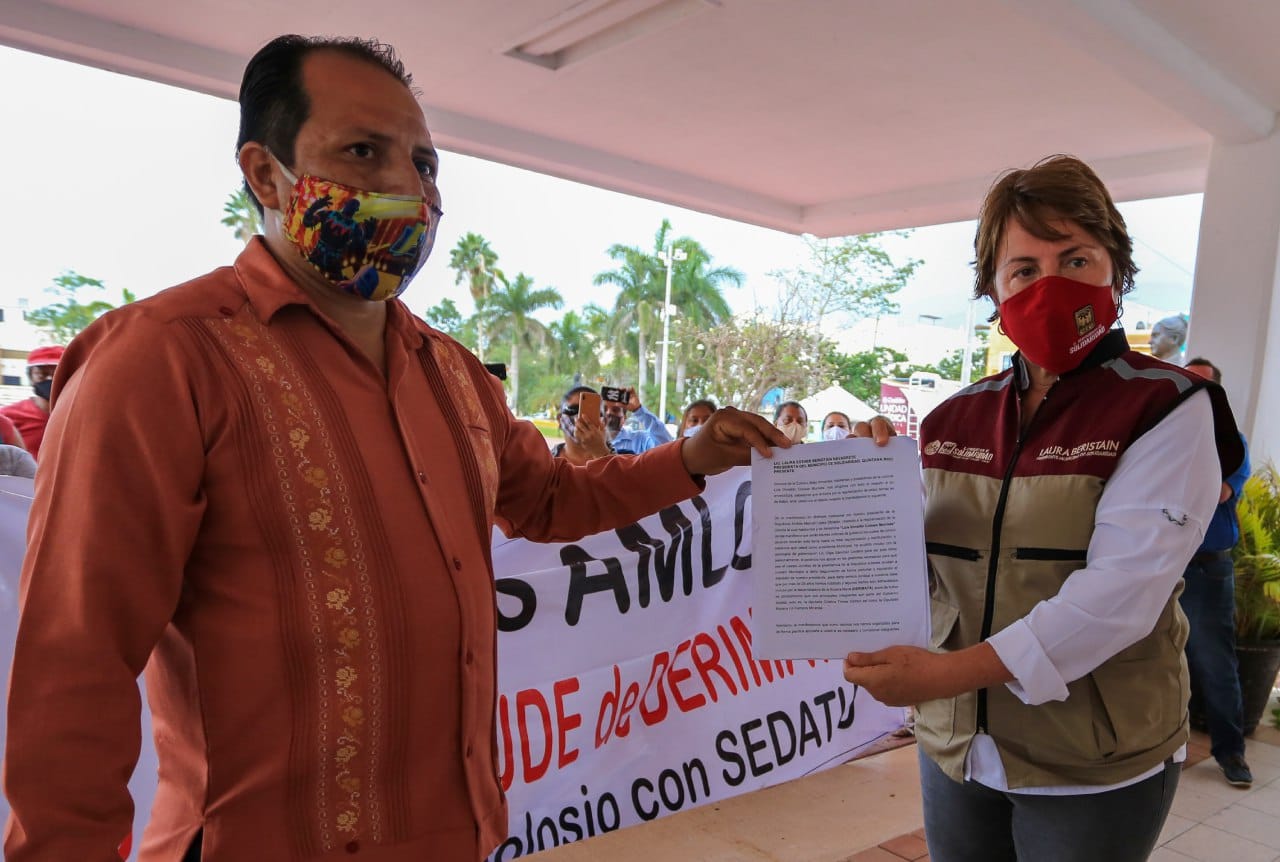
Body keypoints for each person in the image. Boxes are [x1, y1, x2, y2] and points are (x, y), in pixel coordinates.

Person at [2, 35, 789, 862]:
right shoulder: (163, 358)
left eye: (423, 162)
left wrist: (695, 456)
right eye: (362, 152)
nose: (406, 187)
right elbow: (76, 659)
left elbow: (550, 499)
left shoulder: (451, 374)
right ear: (265, 175)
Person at [842, 155, 1244, 862]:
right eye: (1023, 269)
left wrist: (944, 675)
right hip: (960, 746)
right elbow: (925, 571)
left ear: (1115, 272)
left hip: (1092, 757)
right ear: (993, 292)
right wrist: (861, 485)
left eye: (1076, 258)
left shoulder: (1167, 406)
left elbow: (1118, 598)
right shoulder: (951, 418)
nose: (1050, 284)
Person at [1181, 356, 1252, 786]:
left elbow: (1219, 491)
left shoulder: (1232, 443)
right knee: (1152, 661)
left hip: (1207, 572)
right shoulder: (1161, 438)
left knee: (1214, 664)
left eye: (1202, 386)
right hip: (1163, 568)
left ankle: (1231, 754)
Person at [0, 346, 64, 460]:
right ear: (31, 377)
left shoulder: (82, 416)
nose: (50, 379)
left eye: (57, 374)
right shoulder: (8, 417)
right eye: (41, 374)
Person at [551, 385, 612, 465]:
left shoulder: (624, 463)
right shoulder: (545, 462)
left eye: (591, 411)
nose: (580, 416)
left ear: (605, 421)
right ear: (559, 419)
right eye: (573, 410)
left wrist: (601, 453)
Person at [604, 386, 673, 454]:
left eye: (615, 410)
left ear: (624, 417)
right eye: (604, 410)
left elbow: (666, 447)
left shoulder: (640, 440)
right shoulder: (594, 442)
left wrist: (638, 409)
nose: (609, 413)